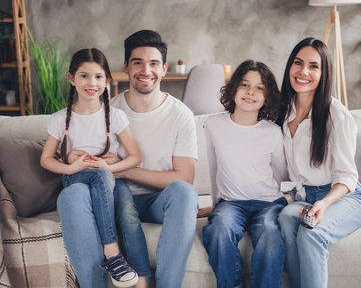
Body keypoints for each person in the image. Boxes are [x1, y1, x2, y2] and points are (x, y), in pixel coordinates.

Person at [276, 37, 361, 288]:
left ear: (324, 72)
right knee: (287, 218)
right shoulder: (282, 110)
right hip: (305, 196)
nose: (303, 72)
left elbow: (347, 177)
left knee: (312, 233)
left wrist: (324, 203)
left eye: (313, 66)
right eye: (298, 63)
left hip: (344, 196)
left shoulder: (336, 115)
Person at [41, 48, 142, 287]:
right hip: (74, 177)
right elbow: (46, 159)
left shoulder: (115, 117)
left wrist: (110, 166)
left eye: (98, 77)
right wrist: (70, 166)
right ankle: (112, 252)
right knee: (100, 175)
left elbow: (136, 156)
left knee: (102, 175)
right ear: (71, 79)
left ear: (107, 81)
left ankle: (112, 254)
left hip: (104, 179)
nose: (91, 83)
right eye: (84, 76)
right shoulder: (58, 119)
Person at [110, 29, 199, 288]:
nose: (145, 70)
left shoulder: (181, 115)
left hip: (159, 202)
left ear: (164, 69)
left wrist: (125, 170)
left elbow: (184, 178)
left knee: (184, 193)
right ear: (126, 67)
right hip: (118, 199)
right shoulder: (109, 110)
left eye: (153, 63)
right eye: (137, 62)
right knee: (118, 190)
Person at [201, 60, 289, 288]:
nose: (251, 92)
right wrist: (215, 204)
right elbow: (213, 167)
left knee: (271, 235)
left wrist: (291, 202)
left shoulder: (273, 132)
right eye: (245, 85)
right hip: (231, 203)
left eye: (260, 88)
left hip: (269, 204)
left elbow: (284, 175)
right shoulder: (213, 124)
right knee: (219, 229)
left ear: (267, 96)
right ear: (233, 89)